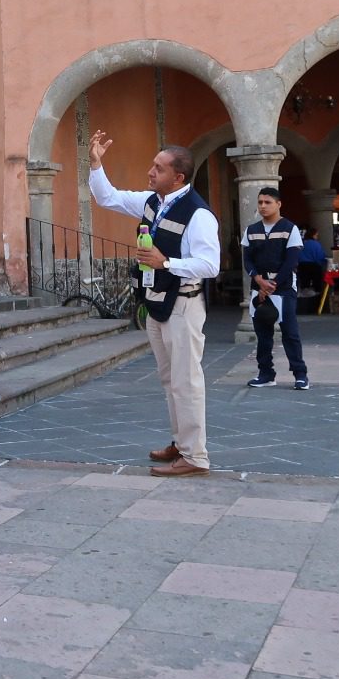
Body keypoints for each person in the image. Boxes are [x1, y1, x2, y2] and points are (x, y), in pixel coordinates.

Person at [88, 133, 219, 478]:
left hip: (184, 305)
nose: (150, 172)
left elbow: (210, 265)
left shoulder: (199, 215)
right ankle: (181, 442)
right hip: (158, 305)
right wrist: (96, 163)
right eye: (152, 165)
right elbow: (108, 198)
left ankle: (196, 456)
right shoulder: (152, 202)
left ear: (178, 178)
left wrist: (167, 263)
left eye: (158, 169)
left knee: (187, 380)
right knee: (169, 380)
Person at [242, 187, 309, 390]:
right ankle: (266, 374)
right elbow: (247, 259)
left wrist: (273, 284)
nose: (263, 206)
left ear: (278, 204)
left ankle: (300, 374)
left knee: (290, 333)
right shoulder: (251, 230)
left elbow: (291, 261)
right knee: (263, 334)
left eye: (267, 202)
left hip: (284, 288)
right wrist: (258, 280)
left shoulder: (290, 228)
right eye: (260, 202)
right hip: (258, 288)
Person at [296, 228, 329, 297]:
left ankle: (304, 301)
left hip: (302, 266)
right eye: (316, 235)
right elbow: (320, 257)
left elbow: (297, 255)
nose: (317, 237)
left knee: (304, 284)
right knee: (316, 285)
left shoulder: (301, 243)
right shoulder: (316, 244)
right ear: (313, 235)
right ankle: (315, 299)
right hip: (314, 266)